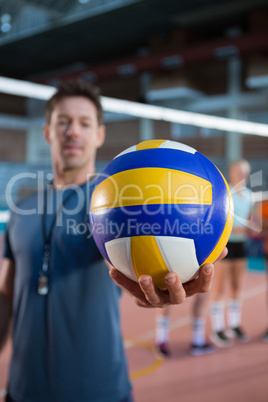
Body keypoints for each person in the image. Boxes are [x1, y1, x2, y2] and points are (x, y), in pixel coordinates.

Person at [0, 79, 220, 402]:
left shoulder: (115, 202)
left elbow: (136, 260)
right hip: (23, 391)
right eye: (63, 122)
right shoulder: (22, 208)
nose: (73, 131)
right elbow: (7, 294)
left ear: (99, 135)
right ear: (47, 132)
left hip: (100, 391)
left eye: (84, 123)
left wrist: (156, 289)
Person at [209, 160, 252, 347]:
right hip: (225, 246)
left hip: (242, 246)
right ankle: (217, 328)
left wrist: (251, 229)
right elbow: (220, 220)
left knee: (237, 286)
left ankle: (234, 324)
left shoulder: (250, 196)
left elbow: (250, 221)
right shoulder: (225, 193)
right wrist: (238, 230)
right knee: (219, 288)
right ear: (231, 173)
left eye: (244, 171)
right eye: (238, 171)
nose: (241, 174)